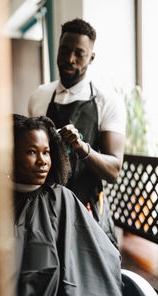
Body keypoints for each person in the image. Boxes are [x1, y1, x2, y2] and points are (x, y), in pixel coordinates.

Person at [28, 18, 126, 246]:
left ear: (91, 58)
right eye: (64, 50)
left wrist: (83, 149)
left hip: (88, 212)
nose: (69, 59)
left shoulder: (107, 101)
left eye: (79, 54)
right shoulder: (39, 96)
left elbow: (113, 170)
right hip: (45, 211)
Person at [13, 114, 124, 296]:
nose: (42, 161)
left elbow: (102, 258)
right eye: (31, 152)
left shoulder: (61, 199)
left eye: (46, 152)